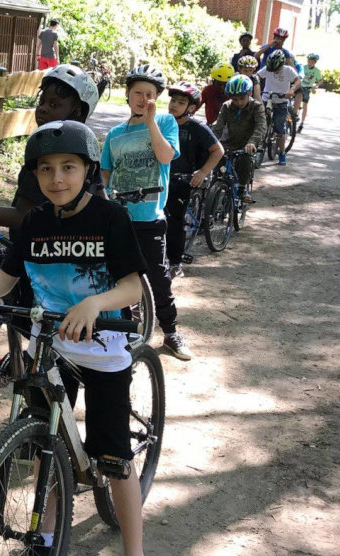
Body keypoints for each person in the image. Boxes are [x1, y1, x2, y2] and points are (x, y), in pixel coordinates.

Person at [0, 120, 151, 556]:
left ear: (87, 170)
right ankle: (43, 539)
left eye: (68, 167)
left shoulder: (110, 217)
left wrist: (94, 304)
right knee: (51, 446)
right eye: (46, 169)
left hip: (104, 351)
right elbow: (6, 278)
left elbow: (133, 286)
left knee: (113, 458)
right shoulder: (35, 223)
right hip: (50, 350)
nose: (57, 178)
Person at [0, 64, 101, 381]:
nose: (44, 109)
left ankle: (28, 368)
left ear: (77, 112)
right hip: (26, 248)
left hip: (55, 256)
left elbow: (22, 217)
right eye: (42, 101)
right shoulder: (50, 151)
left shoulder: (67, 158)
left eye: (55, 104)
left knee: (34, 323)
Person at [101, 64, 192, 360]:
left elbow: (166, 156)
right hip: (119, 217)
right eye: (138, 93)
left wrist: (151, 123)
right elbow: (105, 173)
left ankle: (171, 332)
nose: (143, 99)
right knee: (118, 276)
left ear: (157, 98)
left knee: (157, 277)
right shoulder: (115, 134)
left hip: (149, 217)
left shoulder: (165, 122)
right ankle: (126, 330)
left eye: (149, 94)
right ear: (127, 95)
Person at [165, 81, 224, 276]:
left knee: (174, 220)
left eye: (181, 102)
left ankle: (176, 263)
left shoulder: (197, 128)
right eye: (173, 100)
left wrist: (203, 172)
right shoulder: (162, 123)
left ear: (191, 108)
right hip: (162, 177)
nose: (174, 105)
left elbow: (218, 150)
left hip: (184, 179)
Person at [212, 75, 266, 202]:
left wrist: (253, 142)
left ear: (250, 94)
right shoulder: (226, 106)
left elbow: (261, 127)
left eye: (242, 98)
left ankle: (242, 188)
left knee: (245, 160)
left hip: (247, 144)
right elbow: (218, 127)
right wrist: (211, 141)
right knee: (216, 162)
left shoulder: (257, 107)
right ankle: (214, 189)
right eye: (235, 99)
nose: (239, 102)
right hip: (229, 142)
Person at [256, 49, 300, 166]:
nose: (274, 71)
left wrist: (291, 90)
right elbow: (257, 76)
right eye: (272, 69)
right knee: (259, 122)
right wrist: (255, 83)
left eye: (276, 69)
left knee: (280, 128)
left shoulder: (288, 70)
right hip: (267, 98)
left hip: (281, 101)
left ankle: (282, 152)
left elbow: (297, 81)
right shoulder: (268, 68)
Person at [296, 53, 323, 132]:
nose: (310, 63)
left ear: (315, 62)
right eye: (309, 61)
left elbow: (320, 81)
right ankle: (294, 116)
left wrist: (315, 86)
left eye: (312, 62)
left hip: (307, 88)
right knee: (295, 101)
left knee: (305, 105)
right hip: (300, 86)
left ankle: (302, 123)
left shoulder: (317, 71)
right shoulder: (303, 67)